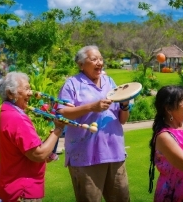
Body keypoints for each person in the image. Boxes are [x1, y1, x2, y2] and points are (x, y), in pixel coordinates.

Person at [56, 45, 131, 202]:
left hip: (114, 153)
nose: (99, 62)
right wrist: (91, 107)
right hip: (85, 156)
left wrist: (124, 105)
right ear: (81, 64)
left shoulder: (109, 81)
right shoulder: (72, 84)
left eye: (101, 59)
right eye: (94, 59)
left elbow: (122, 119)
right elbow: (61, 113)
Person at [0, 72, 65, 201]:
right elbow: (38, 155)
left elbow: (25, 149)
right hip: (22, 189)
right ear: (10, 93)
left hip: (13, 185)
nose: (30, 93)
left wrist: (46, 145)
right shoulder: (17, 118)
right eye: (26, 89)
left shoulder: (7, 111)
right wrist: (58, 129)